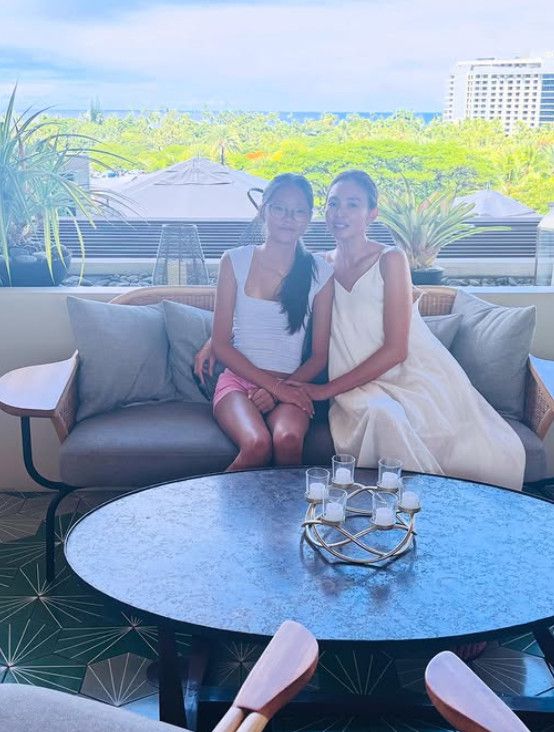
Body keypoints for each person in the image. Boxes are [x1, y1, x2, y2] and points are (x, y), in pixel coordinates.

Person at [289, 169, 525, 491]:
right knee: (380, 414)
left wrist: (325, 390)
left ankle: (416, 504)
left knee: (392, 417)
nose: (339, 212)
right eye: (333, 203)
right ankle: (380, 503)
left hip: (406, 374)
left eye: (352, 204)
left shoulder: (391, 259)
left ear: (372, 213)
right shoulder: (318, 264)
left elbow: (396, 349)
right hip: (354, 382)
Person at [205, 173, 334, 471]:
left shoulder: (320, 272)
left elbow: (319, 356)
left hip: (292, 384)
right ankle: (206, 503)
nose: (288, 218)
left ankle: (286, 506)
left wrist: (281, 390)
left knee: (288, 438)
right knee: (257, 444)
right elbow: (221, 344)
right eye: (279, 208)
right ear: (264, 210)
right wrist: (275, 388)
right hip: (238, 382)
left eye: (298, 211)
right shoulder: (234, 260)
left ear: (308, 218)